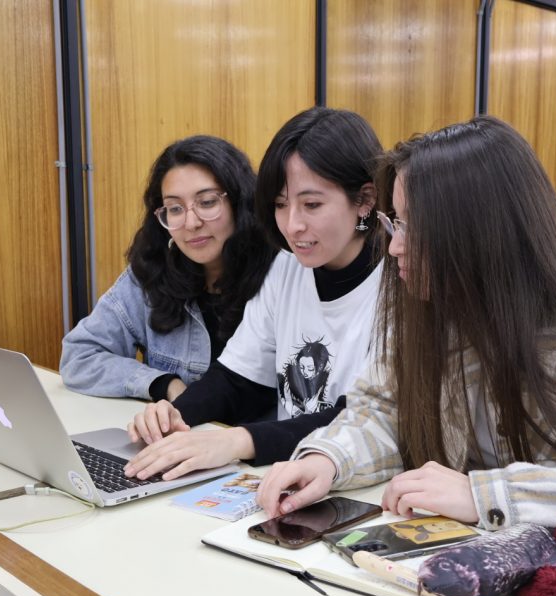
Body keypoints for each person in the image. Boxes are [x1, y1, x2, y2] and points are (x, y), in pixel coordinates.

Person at [257, 116, 556, 550]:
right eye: (395, 223)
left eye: (411, 227)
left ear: (481, 233)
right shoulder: (428, 310)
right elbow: (385, 410)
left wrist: (486, 495)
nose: (394, 248)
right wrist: (330, 458)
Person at [124, 107, 386, 481]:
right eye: (280, 205)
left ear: (364, 199)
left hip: (364, 484)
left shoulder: (401, 280)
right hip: (288, 476)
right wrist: (176, 415)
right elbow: (235, 378)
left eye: (311, 204)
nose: (293, 225)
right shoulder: (286, 268)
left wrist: (237, 442)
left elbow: (365, 418)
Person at [60, 135, 275, 401]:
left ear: (240, 203)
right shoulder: (152, 272)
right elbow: (79, 356)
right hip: (181, 435)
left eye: (207, 202)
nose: (191, 222)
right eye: (175, 208)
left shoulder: (280, 274)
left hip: (256, 441)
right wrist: (162, 384)